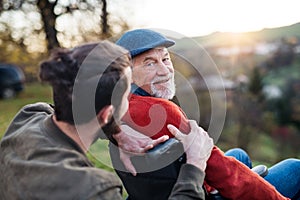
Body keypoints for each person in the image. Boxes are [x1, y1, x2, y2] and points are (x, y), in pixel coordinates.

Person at [0, 40, 215, 199]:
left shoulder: (29, 116)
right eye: (126, 96)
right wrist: (194, 166)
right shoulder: (94, 190)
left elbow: (58, 112)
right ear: (107, 113)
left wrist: (117, 133)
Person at [111, 29, 300, 200]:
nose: (165, 70)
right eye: (150, 63)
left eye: (166, 59)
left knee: (238, 154)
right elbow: (225, 173)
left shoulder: (111, 110)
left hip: (163, 190)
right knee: (295, 168)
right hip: (194, 194)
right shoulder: (162, 113)